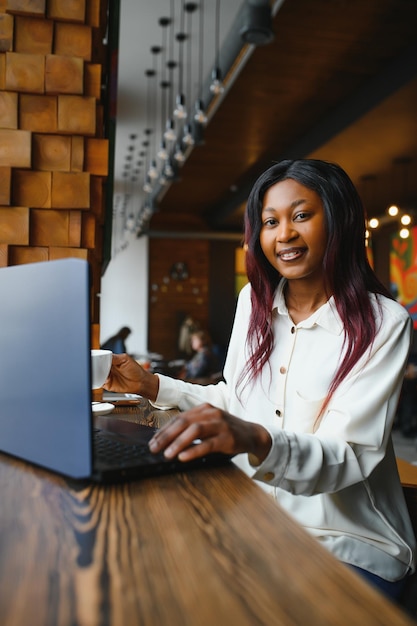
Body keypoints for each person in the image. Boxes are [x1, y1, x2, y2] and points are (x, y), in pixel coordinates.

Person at [104, 159, 416, 601]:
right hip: (254, 518)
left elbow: (347, 456)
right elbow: (235, 400)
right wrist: (151, 386)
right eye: (270, 221)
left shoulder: (384, 323)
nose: (283, 234)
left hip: (348, 545)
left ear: (339, 218)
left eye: (301, 215)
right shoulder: (253, 301)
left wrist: (254, 437)